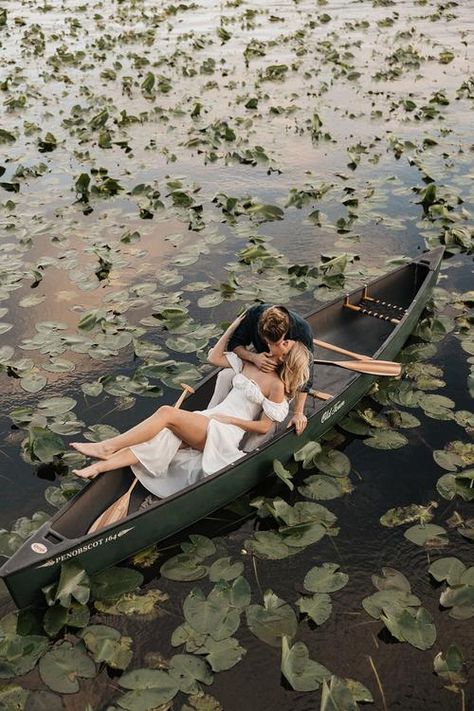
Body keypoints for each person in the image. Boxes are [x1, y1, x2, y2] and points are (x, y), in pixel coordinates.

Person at [70, 316, 311, 498]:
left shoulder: (277, 385)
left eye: (286, 343)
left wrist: (232, 421)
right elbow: (214, 357)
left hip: (223, 432)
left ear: (285, 356)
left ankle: (106, 447)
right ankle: (102, 465)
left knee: (166, 413)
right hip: (211, 418)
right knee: (161, 437)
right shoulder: (254, 361)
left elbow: (263, 426)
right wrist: (234, 326)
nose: (283, 340)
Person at [227, 304, 314, 435]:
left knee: (268, 422)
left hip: (285, 375)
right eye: (268, 343)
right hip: (257, 363)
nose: (270, 348)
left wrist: (298, 413)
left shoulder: (302, 330)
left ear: (285, 335)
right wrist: (253, 357)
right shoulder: (253, 315)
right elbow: (234, 344)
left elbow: (306, 374)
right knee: (225, 376)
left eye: (275, 344)